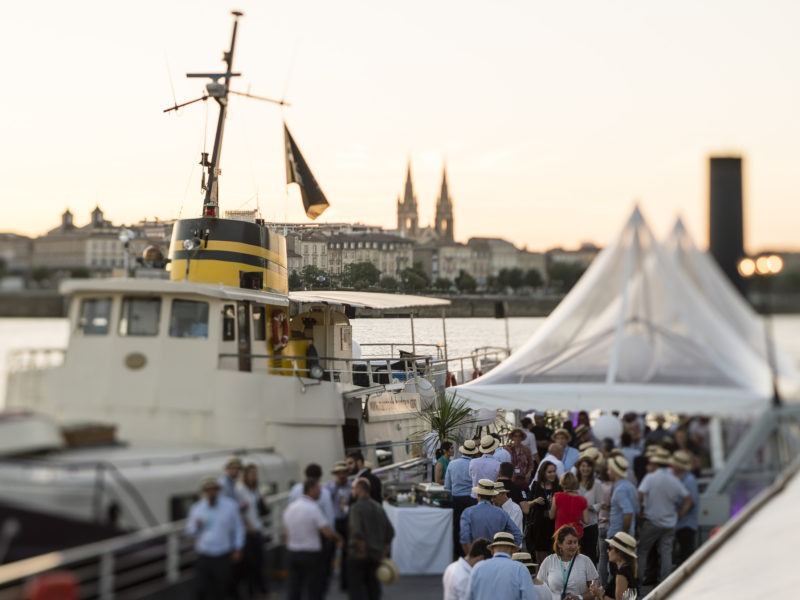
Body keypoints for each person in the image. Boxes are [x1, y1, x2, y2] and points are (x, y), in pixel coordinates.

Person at [637, 451, 692, 585]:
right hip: (670, 522)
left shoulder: (650, 478)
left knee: (643, 550)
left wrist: (639, 511)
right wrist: (680, 515)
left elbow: (639, 494)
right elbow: (688, 499)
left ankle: (637, 579)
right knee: (666, 552)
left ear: (655, 463)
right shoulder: (674, 480)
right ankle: (665, 582)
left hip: (652, 520)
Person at [185, 476, 245, 600]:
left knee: (221, 588)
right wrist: (196, 526)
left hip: (222, 554)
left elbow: (238, 528)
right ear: (204, 492)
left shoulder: (230, 506)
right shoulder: (197, 508)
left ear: (218, 490)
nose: (211, 492)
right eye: (207, 490)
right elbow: (189, 531)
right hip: (204, 554)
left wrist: (238, 548)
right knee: (201, 588)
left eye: (213, 489)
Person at [283, 479, 342, 600]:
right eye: (318, 489)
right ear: (310, 490)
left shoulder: (290, 508)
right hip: (311, 554)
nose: (320, 492)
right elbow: (326, 531)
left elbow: (286, 533)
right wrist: (339, 538)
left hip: (293, 552)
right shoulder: (313, 508)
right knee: (314, 588)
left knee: (294, 587)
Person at [347, 477, 395, 600]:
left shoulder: (356, 508)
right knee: (373, 588)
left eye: (353, 489)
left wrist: (362, 551)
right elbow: (390, 532)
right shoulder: (378, 507)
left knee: (356, 590)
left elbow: (357, 532)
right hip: (376, 555)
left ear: (360, 489)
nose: (352, 492)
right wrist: (384, 551)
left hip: (359, 556)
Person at [466, 532, 535, 600]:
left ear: (492, 550)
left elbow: (469, 597)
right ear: (513, 551)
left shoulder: (478, 568)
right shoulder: (520, 569)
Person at [460, 479, 523, 554]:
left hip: (476, 557)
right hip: (495, 556)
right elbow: (518, 535)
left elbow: (464, 539)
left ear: (478, 495)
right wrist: (506, 554)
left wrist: (471, 556)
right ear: (492, 496)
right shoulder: (502, 513)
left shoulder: (468, 512)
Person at [537, 525, 599, 600]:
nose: (573, 546)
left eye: (575, 542)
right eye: (569, 543)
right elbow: (540, 588)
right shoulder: (549, 561)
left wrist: (579, 597)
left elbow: (595, 589)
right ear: (559, 544)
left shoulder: (585, 561)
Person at [235, 463, 268, 599]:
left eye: (255, 473)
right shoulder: (240, 489)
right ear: (246, 475)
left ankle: (261, 592)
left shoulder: (255, 489)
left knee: (260, 562)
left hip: (258, 529)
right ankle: (253, 593)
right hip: (248, 533)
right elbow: (239, 513)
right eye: (252, 473)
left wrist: (262, 501)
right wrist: (248, 528)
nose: (254, 476)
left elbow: (261, 511)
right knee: (250, 564)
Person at [521, 460, 561, 564]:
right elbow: (526, 504)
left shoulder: (558, 486)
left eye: (554, 471)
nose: (552, 474)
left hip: (554, 523)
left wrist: (556, 503)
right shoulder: (536, 485)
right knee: (540, 554)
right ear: (543, 473)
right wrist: (535, 501)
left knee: (554, 553)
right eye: (549, 472)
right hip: (539, 523)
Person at [446, 439, 479, 558]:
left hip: (456, 499)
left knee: (457, 526)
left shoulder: (452, 463)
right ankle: (471, 551)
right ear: (473, 452)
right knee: (471, 525)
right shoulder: (474, 464)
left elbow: (447, 486)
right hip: (471, 499)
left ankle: (457, 553)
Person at [325, 461, 352, 591]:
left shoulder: (351, 486)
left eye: (344, 473)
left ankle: (345, 582)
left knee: (346, 552)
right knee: (329, 552)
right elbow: (326, 500)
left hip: (346, 520)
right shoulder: (330, 487)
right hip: (334, 521)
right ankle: (326, 580)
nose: (342, 475)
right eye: (339, 473)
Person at [670, 451, 699, 566]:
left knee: (686, 554)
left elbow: (690, 502)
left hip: (686, 523)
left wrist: (679, 516)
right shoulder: (679, 478)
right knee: (682, 554)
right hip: (680, 524)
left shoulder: (689, 480)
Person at [591, 532, 638, 600]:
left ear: (619, 552)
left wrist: (601, 594)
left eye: (609, 548)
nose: (607, 551)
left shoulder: (621, 574)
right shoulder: (629, 568)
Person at [575, 456, 603, 565]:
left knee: (590, 555)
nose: (585, 469)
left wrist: (590, 507)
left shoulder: (597, 483)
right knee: (577, 553)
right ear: (579, 467)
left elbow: (601, 503)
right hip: (575, 523)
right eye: (583, 466)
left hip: (590, 523)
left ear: (592, 468)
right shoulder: (574, 481)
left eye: (588, 466)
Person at [606, 456, 638, 539]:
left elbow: (628, 512)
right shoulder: (631, 486)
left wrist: (623, 536)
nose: (608, 472)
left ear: (614, 471)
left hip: (617, 536)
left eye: (609, 469)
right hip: (627, 535)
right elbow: (636, 510)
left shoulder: (620, 490)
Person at [549, 472, 589, 539]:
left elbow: (551, 516)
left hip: (560, 533)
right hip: (575, 534)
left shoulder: (557, 496)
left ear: (562, 483)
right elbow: (586, 520)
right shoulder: (582, 500)